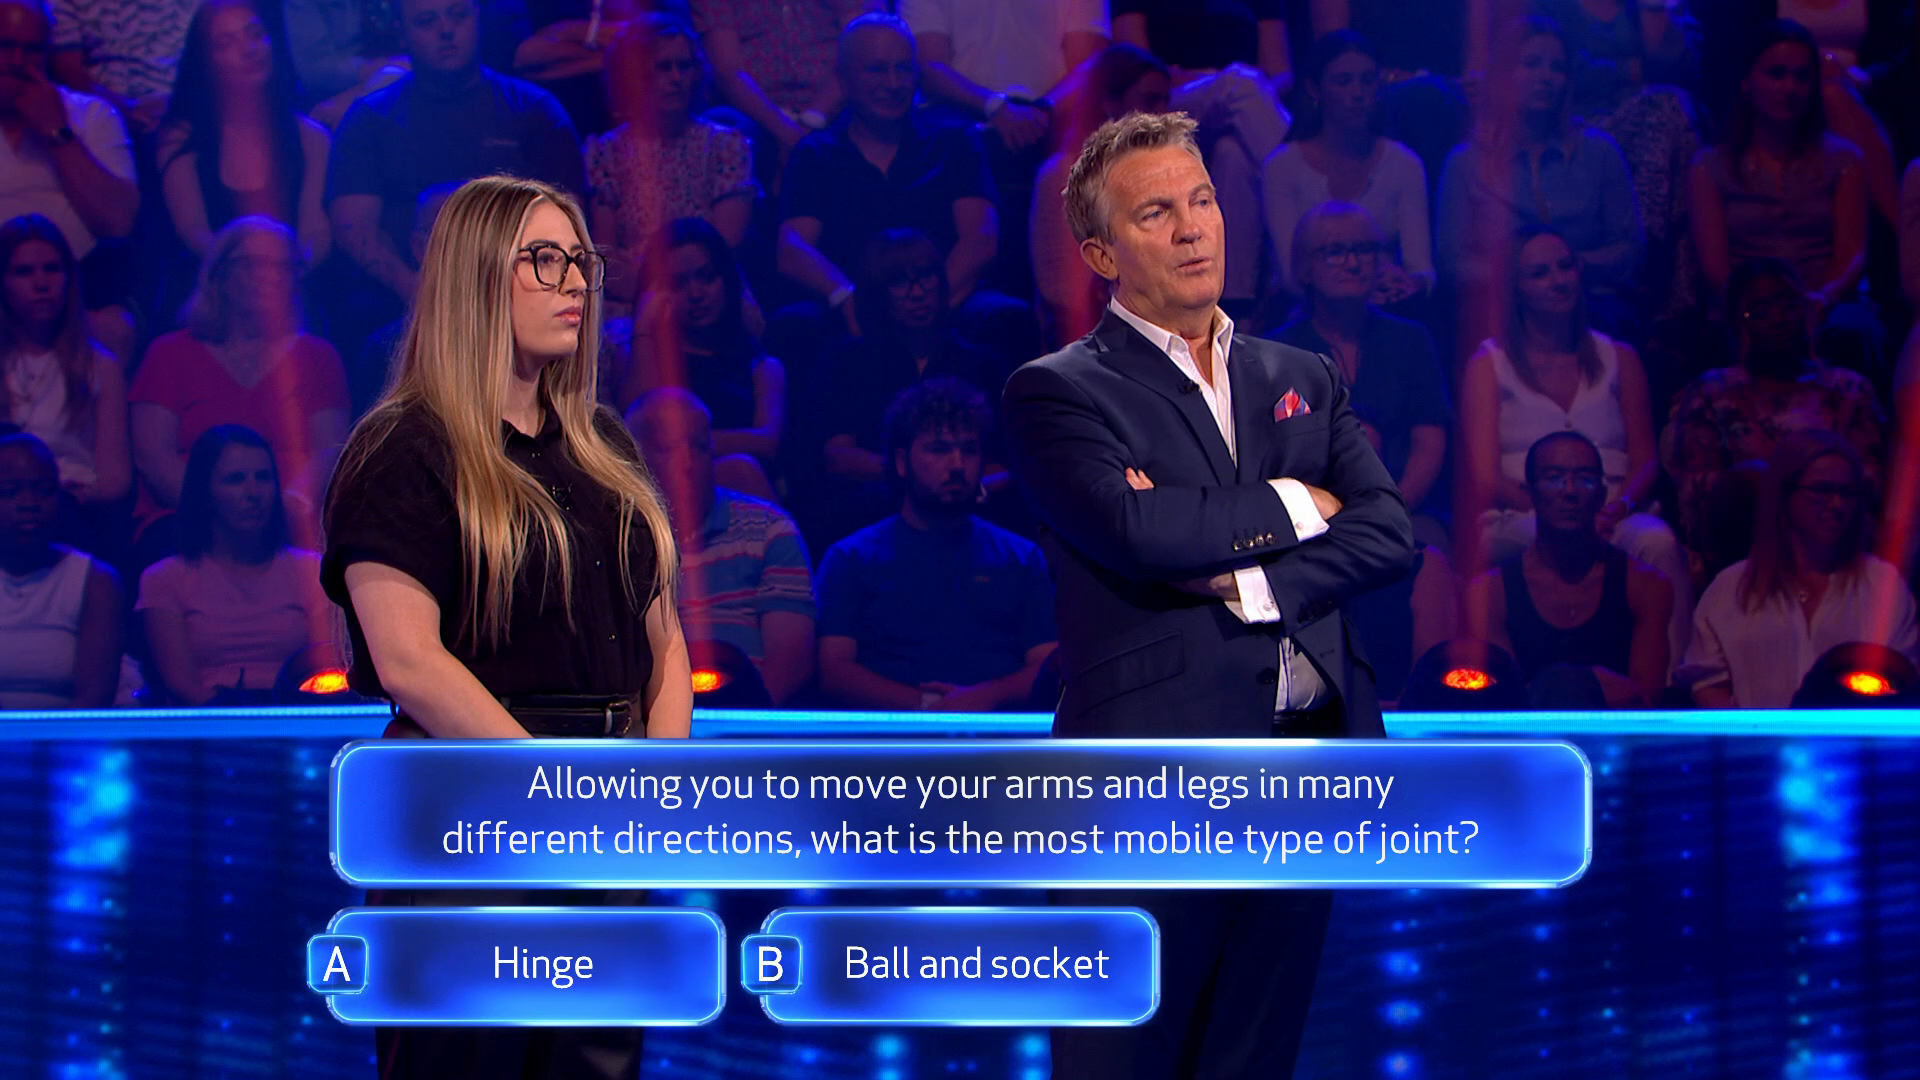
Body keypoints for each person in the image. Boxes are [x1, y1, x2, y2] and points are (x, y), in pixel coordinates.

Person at [1003, 111, 1414, 1077]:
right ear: (1102, 253)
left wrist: (1245, 576)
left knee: (1255, 1059)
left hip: (1303, 777)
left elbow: (1389, 532)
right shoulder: (1058, 391)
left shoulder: (1303, 373)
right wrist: (1302, 501)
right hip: (1144, 783)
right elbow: (1138, 533)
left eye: (1203, 201)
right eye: (1157, 214)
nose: (1194, 230)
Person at [321, 174, 689, 1079]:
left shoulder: (604, 446)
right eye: (544, 260)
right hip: (469, 807)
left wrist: (652, 798)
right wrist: (554, 796)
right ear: (478, 275)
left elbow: (666, 645)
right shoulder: (404, 450)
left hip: (608, 806)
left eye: (581, 261)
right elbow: (409, 662)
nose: (576, 282)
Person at [1460, 226, 1690, 657]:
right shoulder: (1489, 363)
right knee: (1517, 541)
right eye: (1540, 273)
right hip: (1525, 512)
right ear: (1516, 289)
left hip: (1613, 512)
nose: (1558, 280)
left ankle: (1674, 675)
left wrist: (1614, 510)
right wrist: (1555, 512)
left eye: (1565, 267)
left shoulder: (1619, 356)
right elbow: (1484, 473)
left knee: (1656, 542)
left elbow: (1645, 458)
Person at [777, 15, 1025, 351]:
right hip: (854, 311)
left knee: (1005, 318)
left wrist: (927, 304)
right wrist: (845, 298)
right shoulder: (815, 155)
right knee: (794, 326)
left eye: (903, 69)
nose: (893, 83)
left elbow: (981, 237)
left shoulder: (953, 141)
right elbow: (793, 248)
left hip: (944, 302)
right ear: (843, 79)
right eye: (877, 70)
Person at [325, 0, 586, 305]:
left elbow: (567, 218)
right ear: (401, 33)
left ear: (478, 17)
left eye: (458, 15)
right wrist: (414, 291)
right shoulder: (368, 120)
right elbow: (354, 226)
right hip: (404, 305)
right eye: (427, 21)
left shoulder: (535, 111)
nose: (446, 30)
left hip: (518, 298)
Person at [818, 376, 1054, 711]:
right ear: (902, 462)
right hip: (891, 735)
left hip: (999, 734)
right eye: (938, 449)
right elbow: (834, 671)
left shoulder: (1023, 559)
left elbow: (1049, 665)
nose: (957, 465)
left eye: (969, 450)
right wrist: (929, 707)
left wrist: (984, 698)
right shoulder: (850, 559)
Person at [129, 217, 348, 557]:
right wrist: (215, 516)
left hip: (289, 521)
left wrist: (283, 511)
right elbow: (154, 457)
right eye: (254, 264)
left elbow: (328, 451)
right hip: (187, 518)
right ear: (219, 275)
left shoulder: (319, 358)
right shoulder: (168, 354)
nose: (272, 276)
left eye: (284, 267)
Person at [1664, 257, 1885, 564]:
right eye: (1760, 311)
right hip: (1746, 551)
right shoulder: (1711, 393)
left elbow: (1870, 483)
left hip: (1836, 543)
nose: (1778, 318)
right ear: (1737, 325)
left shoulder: (1848, 390)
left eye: (1788, 304)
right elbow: (1697, 498)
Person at [1689, 20, 1873, 374]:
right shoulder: (1709, 166)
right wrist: (1759, 307)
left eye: (1801, 77)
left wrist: (1822, 299)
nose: (1790, 87)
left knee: (1850, 334)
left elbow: (1853, 255)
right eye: (1776, 74)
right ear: (1746, 82)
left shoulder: (1845, 161)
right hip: (1745, 304)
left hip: (1825, 303)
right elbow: (1715, 268)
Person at [1682, 429, 1916, 708]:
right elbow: (1708, 685)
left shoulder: (1882, 585)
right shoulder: (1731, 589)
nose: (1837, 504)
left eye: (1847, 493)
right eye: (1822, 491)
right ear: (1784, 495)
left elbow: (1906, 683)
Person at [1436, 16, 1642, 320]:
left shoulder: (1600, 151)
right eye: (1531, 63)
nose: (1546, 76)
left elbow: (1630, 249)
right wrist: (1523, 274)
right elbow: (1452, 265)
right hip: (1504, 309)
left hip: (1590, 301)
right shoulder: (1464, 162)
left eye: (1557, 67)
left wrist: (1574, 265)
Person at [628, 388, 816, 705]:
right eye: (669, 448)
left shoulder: (770, 531)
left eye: (700, 446)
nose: (689, 462)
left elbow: (792, 664)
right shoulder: (612, 541)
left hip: (745, 720)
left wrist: (737, 725)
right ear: (635, 460)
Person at [1111, 0, 1294, 312]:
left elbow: (1281, 74)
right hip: (1169, 98)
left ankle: (1237, 303)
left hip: (1247, 101)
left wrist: (1256, 86)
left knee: (1231, 154)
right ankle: (1307, 212)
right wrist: (1212, 77)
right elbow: (1133, 67)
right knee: (1240, 84)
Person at [1466, 431, 1671, 707]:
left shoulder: (1646, 587)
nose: (1570, 491)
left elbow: (1647, 702)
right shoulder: (1490, 594)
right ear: (1530, 493)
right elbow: (1504, 705)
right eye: (1553, 478)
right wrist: (1580, 684)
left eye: (1584, 479)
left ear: (1601, 494)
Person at [1272, 201, 1447, 521]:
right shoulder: (1280, 351)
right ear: (1305, 267)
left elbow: (1428, 444)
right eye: (1336, 252)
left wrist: (1391, 514)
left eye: (1364, 250)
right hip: (1312, 518)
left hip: (1404, 511)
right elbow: (1285, 454)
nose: (1353, 264)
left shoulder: (1411, 341)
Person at [135, 425, 332, 704]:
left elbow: (327, 667)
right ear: (205, 492)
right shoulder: (164, 579)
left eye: (263, 477)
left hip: (295, 713)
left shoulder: (313, 571)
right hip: (209, 717)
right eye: (236, 480)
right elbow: (181, 685)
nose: (253, 492)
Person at [0, 0, 139, 361]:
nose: (16, 61)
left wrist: (56, 131)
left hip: (79, 294)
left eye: (30, 50)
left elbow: (118, 222)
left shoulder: (93, 116)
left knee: (114, 330)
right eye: (5, 46)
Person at [588, 15, 755, 316]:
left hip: (711, 291)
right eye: (663, 67)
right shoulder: (606, 152)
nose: (676, 78)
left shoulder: (727, 146)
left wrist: (682, 288)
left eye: (684, 66)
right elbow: (605, 253)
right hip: (634, 297)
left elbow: (726, 246)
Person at [154, 0, 332, 264]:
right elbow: (193, 231)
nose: (250, 49)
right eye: (227, 43)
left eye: (256, 34)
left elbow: (314, 230)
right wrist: (249, 268)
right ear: (205, 61)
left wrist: (292, 268)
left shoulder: (312, 138)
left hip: (293, 278)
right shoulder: (180, 139)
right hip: (212, 279)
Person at [618, 217, 783, 500]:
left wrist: (683, 443)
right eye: (678, 284)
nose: (695, 293)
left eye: (706, 277)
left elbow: (768, 441)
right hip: (664, 495)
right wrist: (645, 327)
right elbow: (636, 436)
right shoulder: (641, 359)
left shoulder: (762, 367)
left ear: (726, 280)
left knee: (740, 469)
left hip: (741, 494)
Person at [1264, 31, 1432, 303]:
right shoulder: (1282, 167)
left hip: (1387, 306)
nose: (1357, 93)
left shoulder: (1405, 164)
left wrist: (1409, 283)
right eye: (1343, 82)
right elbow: (1291, 275)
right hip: (1308, 310)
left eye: (1367, 81)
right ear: (1315, 89)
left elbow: (1422, 268)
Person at [1031, 43, 1172, 344]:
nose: (1161, 113)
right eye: (1150, 100)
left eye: (1165, 101)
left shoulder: (1170, 175)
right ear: (1110, 103)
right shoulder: (1061, 176)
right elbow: (1060, 288)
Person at [0, 213, 128, 517]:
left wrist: (61, 499)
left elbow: (116, 482)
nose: (41, 283)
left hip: (74, 509)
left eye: (52, 269)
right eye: (24, 272)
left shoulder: (99, 367)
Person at [0, 431, 119, 709]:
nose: (29, 503)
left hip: (66, 733)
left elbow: (94, 700)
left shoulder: (96, 581)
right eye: (10, 491)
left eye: (44, 490)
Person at [690, 0, 878, 174]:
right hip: (756, 116)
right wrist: (787, 134)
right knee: (727, 128)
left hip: (834, 108)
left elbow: (858, 50)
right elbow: (728, 72)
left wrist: (812, 120)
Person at [901, 0, 1108, 154]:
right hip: (960, 127)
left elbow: (1091, 64)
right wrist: (995, 107)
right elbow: (929, 67)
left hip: (1053, 128)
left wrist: (1041, 112)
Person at [48, 0, 195, 134]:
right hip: (105, 110)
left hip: (183, 106)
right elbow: (68, 69)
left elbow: (204, 52)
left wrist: (181, 105)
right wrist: (126, 110)